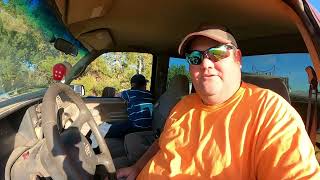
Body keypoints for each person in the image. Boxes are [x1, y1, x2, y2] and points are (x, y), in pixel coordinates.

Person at [115, 26, 320, 180]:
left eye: (217, 53)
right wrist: (137, 167)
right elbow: (161, 144)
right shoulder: (183, 105)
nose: (205, 63)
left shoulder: (271, 113)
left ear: (237, 58)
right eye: (195, 57)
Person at [105, 74, 154, 138]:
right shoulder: (149, 94)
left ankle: (100, 137)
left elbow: (117, 96)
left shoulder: (129, 93)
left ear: (132, 85)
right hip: (148, 127)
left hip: (136, 126)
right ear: (145, 85)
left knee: (111, 129)